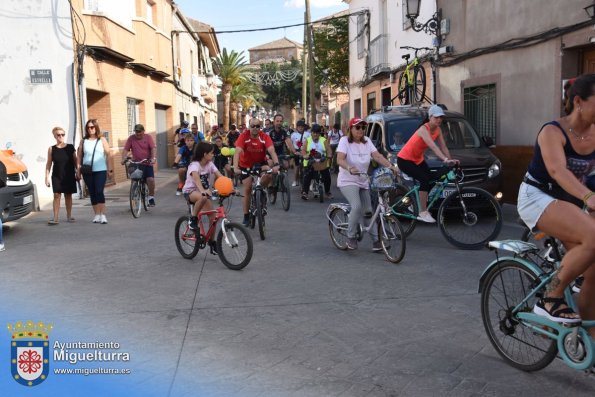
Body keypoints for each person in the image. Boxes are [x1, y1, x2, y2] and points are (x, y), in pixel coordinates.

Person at [517, 74, 595, 329]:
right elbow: (557, 171)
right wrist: (589, 198)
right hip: (537, 197)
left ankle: (590, 346)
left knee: (593, 274)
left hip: (570, 202)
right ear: (579, 102)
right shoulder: (553, 131)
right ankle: (550, 297)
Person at [336, 117, 398, 251]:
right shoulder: (344, 141)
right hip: (347, 180)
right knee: (357, 206)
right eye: (357, 127)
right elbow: (339, 159)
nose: (360, 130)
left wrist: (391, 166)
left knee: (368, 212)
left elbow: (377, 156)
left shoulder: (367, 141)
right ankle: (351, 237)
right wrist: (349, 168)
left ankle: (376, 241)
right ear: (350, 129)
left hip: (363, 180)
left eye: (363, 127)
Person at [396, 104, 458, 223]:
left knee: (431, 179)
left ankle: (414, 204)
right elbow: (433, 146)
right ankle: (422, 212)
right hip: (404, 160)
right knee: (424, 179)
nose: (439, 120)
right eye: (436, 117)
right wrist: (445, 160)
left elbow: (443, 147)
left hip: (418, 159)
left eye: (441, 117)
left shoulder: (438, 130)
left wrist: (450, 160)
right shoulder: (423, 129)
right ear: (430, 117)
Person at [232, 118, 281, 226]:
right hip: (245, 166)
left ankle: (261, 193)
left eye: (257, 126)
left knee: (268, 175)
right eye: (252, 126)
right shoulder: (243, 136)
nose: (255, 128)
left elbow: (272, 150)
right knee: (248, 188)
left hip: (260, 164)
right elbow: (237, 152)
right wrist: (235, 168)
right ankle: (246, 215)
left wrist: (276, 164)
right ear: (249, 127)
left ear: (260, 127)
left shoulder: (264, 136)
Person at [182, 141, 224, 255]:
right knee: (202, 197)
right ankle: (193, 219)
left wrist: (231, 187)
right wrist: (203, 191)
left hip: (203, 194)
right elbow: (196, 179)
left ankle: (212, 242)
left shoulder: (210, 164)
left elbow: (220, 176)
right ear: (205, 154)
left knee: (213, 217)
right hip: (190, 192)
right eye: (211, 153)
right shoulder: (194, 165)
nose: (213, 155)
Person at [77, 119, 113, 224]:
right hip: (87, 171)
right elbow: (79, 156)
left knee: (99, 191)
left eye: (92, 127)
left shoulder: (101, 139)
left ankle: (103, 215)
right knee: (92, 192)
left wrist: (110, 169)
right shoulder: (83, 141)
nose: (90, 129)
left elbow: (108, 154)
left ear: (96, 128)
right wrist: (78, 170)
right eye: (88, 127)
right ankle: (97, 215)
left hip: (100, 170)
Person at [45, 127, 78, 225]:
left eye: (62, 134)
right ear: (54, 136)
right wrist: (46, 177)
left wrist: (78, 172)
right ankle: (55, 218)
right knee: (56, 195)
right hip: (56, 175)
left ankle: (69, 216)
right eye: (58, 135)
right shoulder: (51, 149)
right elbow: (48, 164)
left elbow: (76, 161)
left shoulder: (70, 147)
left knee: (68, 195)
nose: (61, 136)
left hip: (69, 174)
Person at [122, 124, 157, 206]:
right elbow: (126, 149)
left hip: (147, 162)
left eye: (139, 132)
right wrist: (123, 158)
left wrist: (153, 158)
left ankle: (151, 197)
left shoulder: (148, 137)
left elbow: (153, 148)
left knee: (150, 180)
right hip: (136, 163)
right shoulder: (131, 138)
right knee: (134, 178)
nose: (138, 134)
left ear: (143, 131)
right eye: (136, 132)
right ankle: (134, 196)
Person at [301, 123, 333, 200]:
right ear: (311, 132)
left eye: (317, 133)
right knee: (306, 176)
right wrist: (305, 156)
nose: (315, 134)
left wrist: (329, 155)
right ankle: (305, 192)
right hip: (310, 162)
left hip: (322, 162)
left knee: (327, 177)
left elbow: (329, 150)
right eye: (314, 132)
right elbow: (303, 151)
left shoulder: (324, 140)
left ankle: (327, 192)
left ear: (319, 133)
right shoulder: (307, 140)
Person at [290, 120, 311, 187]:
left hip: (305, 152)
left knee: (307, 167)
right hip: (296, 152)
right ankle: (295, 180)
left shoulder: (308, 134)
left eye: (302, 127)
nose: (301, 128)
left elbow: (310, 143)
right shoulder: (293, 135)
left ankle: (309, 182)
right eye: (299, 127)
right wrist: (293, 153)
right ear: (297, 127)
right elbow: (291, 144)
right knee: (297, 167)